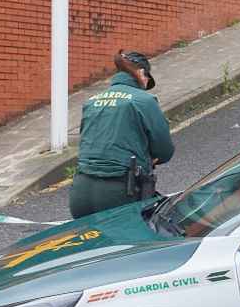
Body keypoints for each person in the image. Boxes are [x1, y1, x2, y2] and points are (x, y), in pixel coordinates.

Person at [69, 51, 174, 219]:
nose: (146, 83)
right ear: (140, 72)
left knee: (91, 243)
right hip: (120, 191)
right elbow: (164, 150)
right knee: (128, 243)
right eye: (147, 77)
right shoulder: (144, 100)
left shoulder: (92, 101)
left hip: (81, 191)